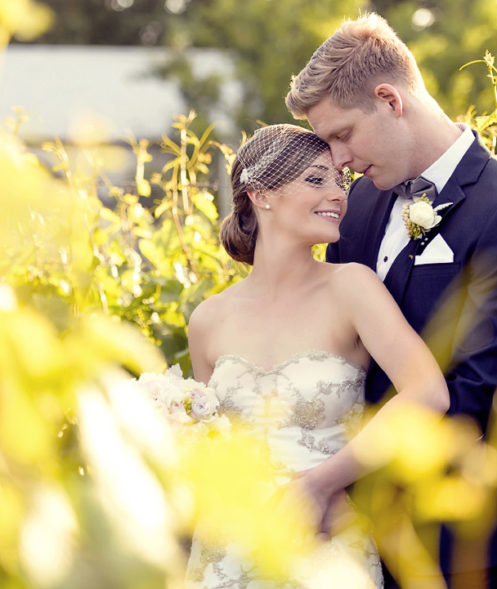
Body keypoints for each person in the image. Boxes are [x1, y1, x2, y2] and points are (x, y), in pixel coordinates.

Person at [285, 13, 497, 588]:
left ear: (389, 100)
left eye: (341, 135)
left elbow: (477, 394)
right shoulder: (359, 205)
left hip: (454, 540)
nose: (337, 161)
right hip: (340, 538)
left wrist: (335, 481)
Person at [185, 124, 450, 588]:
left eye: (339, 181)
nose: (338, 195)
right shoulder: (208, 320)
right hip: (227, 549)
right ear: (261, 194)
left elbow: (428, 394)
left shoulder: (351, 287)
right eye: (316, 180)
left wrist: (322, 483)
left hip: (324, 544)